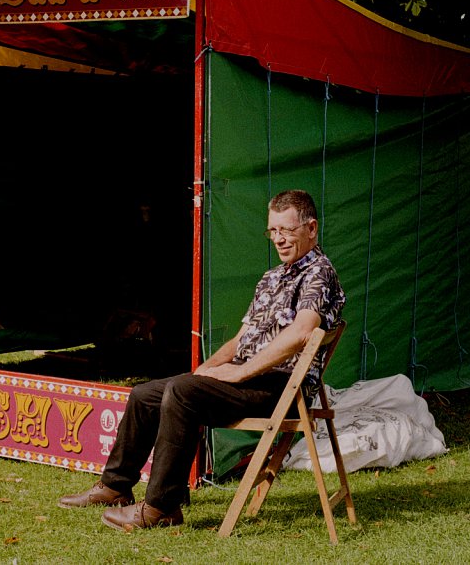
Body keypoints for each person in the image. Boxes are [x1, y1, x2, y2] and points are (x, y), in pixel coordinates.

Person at [58, 189, 346, 532]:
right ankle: (116, 486)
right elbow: (241, 339)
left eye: (287, 230)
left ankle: (161, 507)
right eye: (273, 231)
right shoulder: (272, 278)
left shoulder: (319, 273)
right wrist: (206, 370)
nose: (279, 239)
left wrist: (238, 374)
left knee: (182, 393)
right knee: (144, 395)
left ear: (311, 228)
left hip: (279, 387)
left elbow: (300, 334)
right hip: (250, 377)